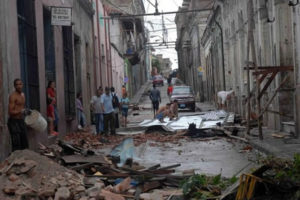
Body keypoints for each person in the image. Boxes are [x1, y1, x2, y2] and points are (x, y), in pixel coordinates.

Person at [7, 79, 29, 151]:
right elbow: (10, 111)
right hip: (13, 122)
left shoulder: (23, 95)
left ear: (22, 85)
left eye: (20, 84)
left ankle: (24, 161)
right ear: (14, 86)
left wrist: (26, 111)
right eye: (17, 85)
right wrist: (21, 111)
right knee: (17, 145)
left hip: (21, 121)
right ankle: (16, 161)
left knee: (25, 144)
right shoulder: (13, 96)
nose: (19, 86)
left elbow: (21, 108)